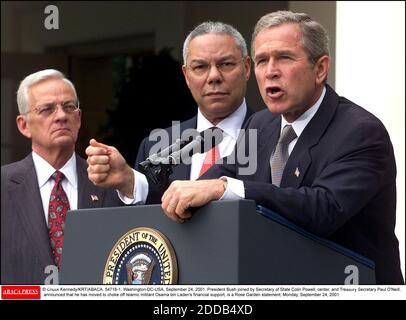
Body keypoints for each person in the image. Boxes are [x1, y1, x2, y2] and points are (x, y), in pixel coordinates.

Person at [158, 11, 404, 284]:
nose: (270, 71)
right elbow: (214, 180)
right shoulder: (260, 124)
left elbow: (323, 209)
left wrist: (227, 187)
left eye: (284, 58)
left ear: (320, 68)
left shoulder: (360, 131)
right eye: (262, 60)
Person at [86, 21, 253, 204]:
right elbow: (148, 221)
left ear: (246, 68)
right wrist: (128, 181)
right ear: (186, 76)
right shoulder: (155, 146)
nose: (213, 76)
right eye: (200, 67)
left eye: (226, 64)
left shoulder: (275, 134)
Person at [1, 69, 122, 284]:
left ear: (78, 118)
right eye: (47, 109)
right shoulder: (4, 185)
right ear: (23, 125)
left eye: (68, 107)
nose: (61, 116)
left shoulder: (110, 183)